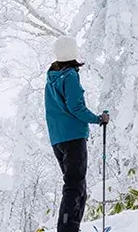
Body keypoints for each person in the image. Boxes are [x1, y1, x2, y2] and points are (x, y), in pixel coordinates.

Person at [44, 36, 110, 232]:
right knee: (75, 185)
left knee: (75, 184)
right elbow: (76, 107)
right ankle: (67, 229)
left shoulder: (52, 77)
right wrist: (98, 119)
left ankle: (72, 227)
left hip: (58, 139)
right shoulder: (70, 76)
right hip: (73, 137)